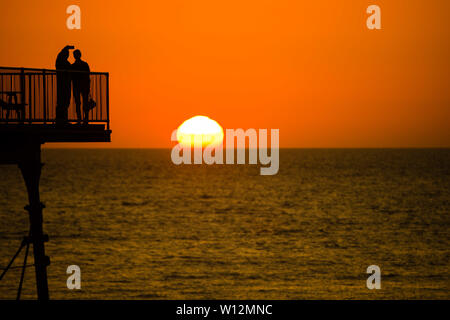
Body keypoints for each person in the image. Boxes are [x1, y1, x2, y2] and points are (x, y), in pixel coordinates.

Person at [71, 49, 91, 125]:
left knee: (79, 103)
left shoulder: (73, 66)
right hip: (83, 86)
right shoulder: (85, 64)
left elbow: (72, 77)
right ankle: (85, 119)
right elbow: (88, 75)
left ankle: (80, 119)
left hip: (78, 86)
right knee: (83, 103)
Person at [55, 45, 73, 124]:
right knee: (63, 102)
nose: (67, 55)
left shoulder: (65, 62)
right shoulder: (61, 62)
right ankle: (61, 119)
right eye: (66, 54)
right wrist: (65, 48)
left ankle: (63, 119)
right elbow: (59, 57)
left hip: (66, 84)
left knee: (65, 102)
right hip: (63, 84)